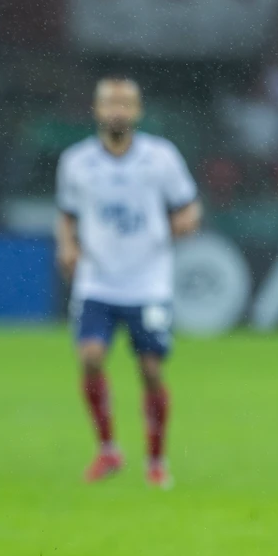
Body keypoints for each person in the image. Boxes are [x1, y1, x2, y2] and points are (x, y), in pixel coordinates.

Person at [54, 76, 202, 488]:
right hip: (97, 281)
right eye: (110, 103)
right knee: (90, 357)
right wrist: (67, 246)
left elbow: (189, 205)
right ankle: (108, 450)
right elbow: (66, 214)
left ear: (137, 111)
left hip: (148, 282)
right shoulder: (76, 161)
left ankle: (156, 459)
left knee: (151, 369)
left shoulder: (161, 157)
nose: (117, 110)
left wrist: (186, 222)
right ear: (97, 109)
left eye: (125, 103)